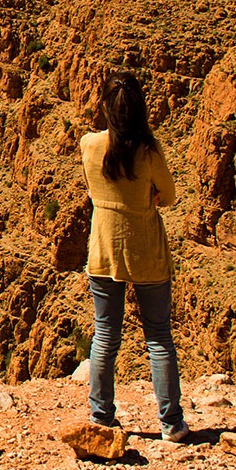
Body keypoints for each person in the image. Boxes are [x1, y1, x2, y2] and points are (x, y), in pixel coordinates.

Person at [79, 71, 189, 442]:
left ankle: (101, 416)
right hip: (146, 251)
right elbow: (169, 196)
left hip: (105, 250)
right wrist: (149, 197)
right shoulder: (149, 150)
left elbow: (95, 191)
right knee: (158, 336)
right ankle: (171, 423)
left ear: (105, 108)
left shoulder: (89, 144)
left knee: (106, 334)